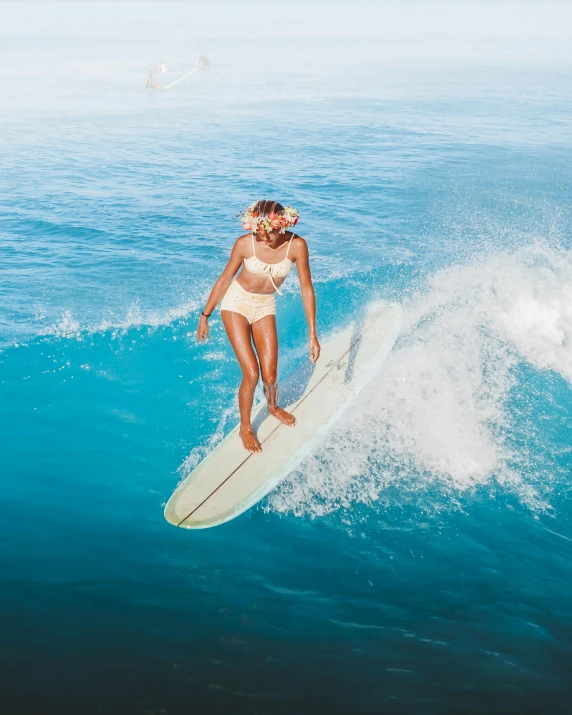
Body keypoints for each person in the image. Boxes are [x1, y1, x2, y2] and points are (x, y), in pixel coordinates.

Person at [197, 200, 320, 453]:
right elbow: (225, 278)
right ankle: (245, 427)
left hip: (265, 305)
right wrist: (205, 315)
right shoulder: (245, 243)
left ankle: (273, 407)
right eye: (260, 230)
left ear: (283, 225)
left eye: (270, 230)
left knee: (271, 375)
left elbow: (306, 288)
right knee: (252, 373)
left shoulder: (297, 246)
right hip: (237, 303)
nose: (264, 236)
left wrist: (313, 334)